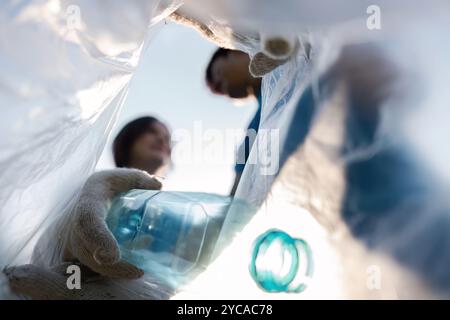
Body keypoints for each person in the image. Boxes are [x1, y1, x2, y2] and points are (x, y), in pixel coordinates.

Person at [205, 48, 262, 195]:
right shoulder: (255, 124)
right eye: (217, 89)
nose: (218, 84)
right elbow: (239, 186)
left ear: (236, 52)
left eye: (218, 73)